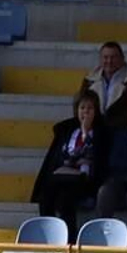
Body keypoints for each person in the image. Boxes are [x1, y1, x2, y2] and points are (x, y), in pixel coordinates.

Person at [32, 91, 109, 235]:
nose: (85, 112)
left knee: (65, 200)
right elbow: (62, 155)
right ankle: (48, 233)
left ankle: (70, 239)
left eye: (90, 108)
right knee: (45, 194)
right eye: (82, 108)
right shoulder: (68, 131)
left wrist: (86, 134)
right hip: (64, 175)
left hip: (86, 179)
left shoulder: (102, 133)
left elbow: (96, 158)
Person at [80, 41, 127, 133]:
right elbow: (81, 106)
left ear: (122, 58)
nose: (109, 61)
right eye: (105, 57)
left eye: (113, 57)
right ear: (100, 59)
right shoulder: (89, 80)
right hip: (94, 130)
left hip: (122, 132)